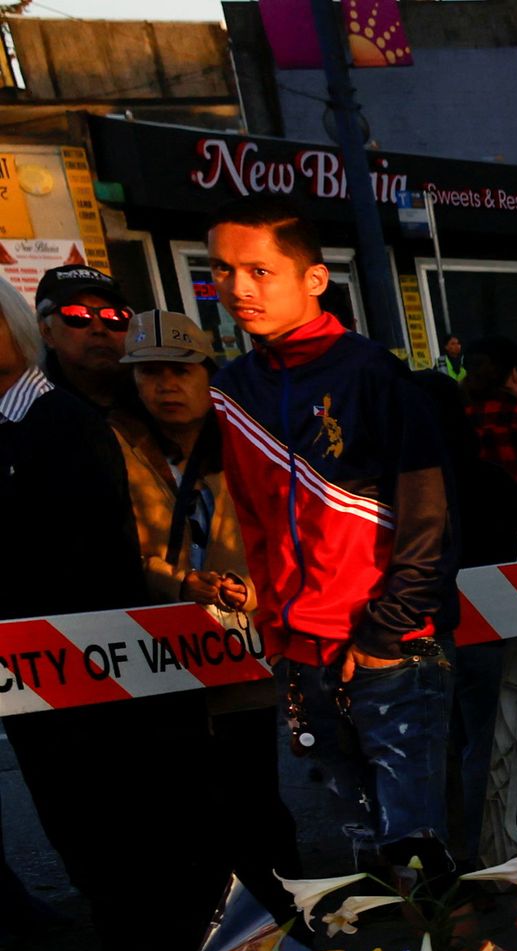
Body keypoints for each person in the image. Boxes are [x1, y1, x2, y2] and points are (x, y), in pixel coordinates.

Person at [0, 262, 232, 951]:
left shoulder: (67, 422)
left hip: (109, 665)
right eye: (79, 316)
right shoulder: (37, 416)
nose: (99, 329)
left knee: (149, 826)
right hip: (36, 677)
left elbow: (91, 558)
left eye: (111, 317)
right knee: (81, 832)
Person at [206, 199, 456, 859]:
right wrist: (276, 634)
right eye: (223, 270)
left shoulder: (373, 372)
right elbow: (254, 521)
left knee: (415, 850)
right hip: (300, 652)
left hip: (389, 649)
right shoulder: (232, 387)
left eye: (259, 270)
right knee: (362, 852)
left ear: (314, 279)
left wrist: (388, 630)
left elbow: (428, 513)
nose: (238, 288)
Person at [115, 310, 299, 900]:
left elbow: (290, 527)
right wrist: (176, 582)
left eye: (179, 370)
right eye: (149, 373)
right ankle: (218, 924)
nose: (165, 385)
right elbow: (110, 547)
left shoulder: (251, 434)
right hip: (163, 652)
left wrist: (257, 588)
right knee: (191, 798)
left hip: (245, 644)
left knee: (254, 786)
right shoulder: (116, 444)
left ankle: (284, 911)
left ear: (207, 373)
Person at [445, 347, 517, 852]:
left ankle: (475, 839)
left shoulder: (445, 454)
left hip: (450, 595)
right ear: (514, 374)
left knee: (470, 730)